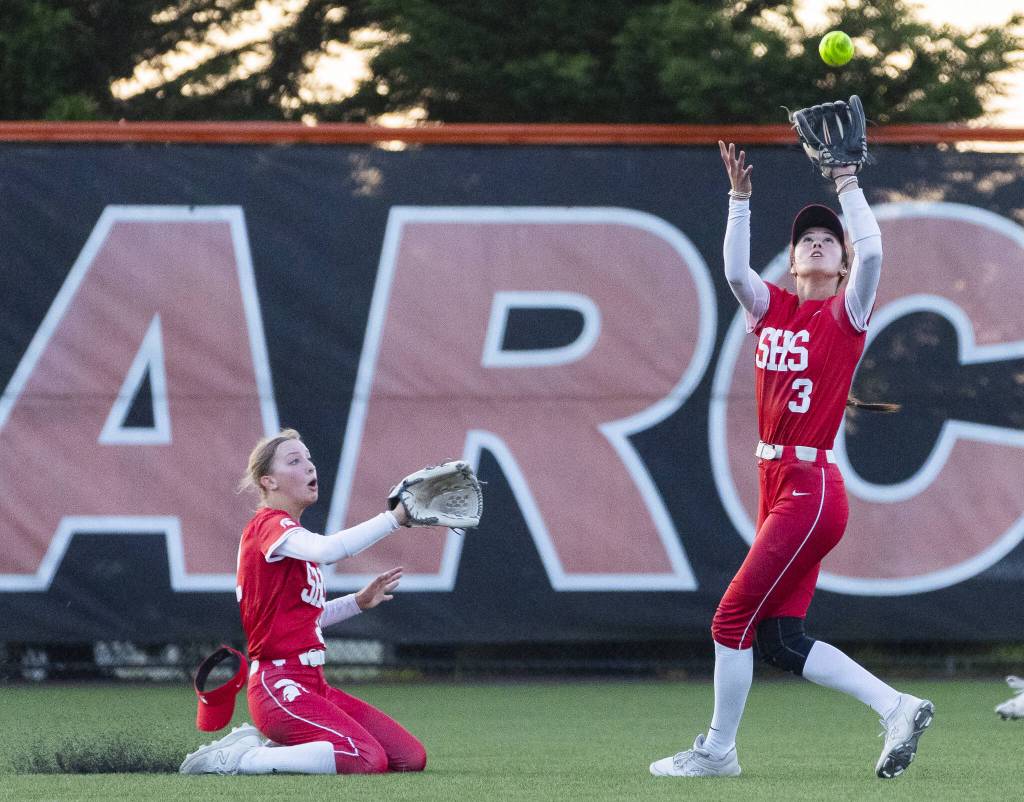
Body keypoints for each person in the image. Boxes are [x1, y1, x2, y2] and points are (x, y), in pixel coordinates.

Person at [649, 141, 933, 780]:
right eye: (807, 237)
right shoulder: (771, 307)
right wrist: (739, 201)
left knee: (729, 618)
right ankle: (897, 706)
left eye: (828, 241)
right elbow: (733, 270)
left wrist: (846, 181)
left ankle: (719, 751)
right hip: (776, 482)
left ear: (841, 265)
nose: (815, 243)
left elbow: (876, 251)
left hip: (810, 487)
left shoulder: (845, 312)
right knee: (778, 638)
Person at [180, 428, 427, 776]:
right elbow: (329, 550)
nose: (310, 467)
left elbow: (302, 620)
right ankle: (243, 759)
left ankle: (276, 746)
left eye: (309, 459)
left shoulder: (290, 539)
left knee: (409, 758)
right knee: (366, 759)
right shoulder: (268, 525)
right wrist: (395, 518)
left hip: (312, 685)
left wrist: (357, 602)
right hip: (277, 686)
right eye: (294, 461)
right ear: (269, 482)